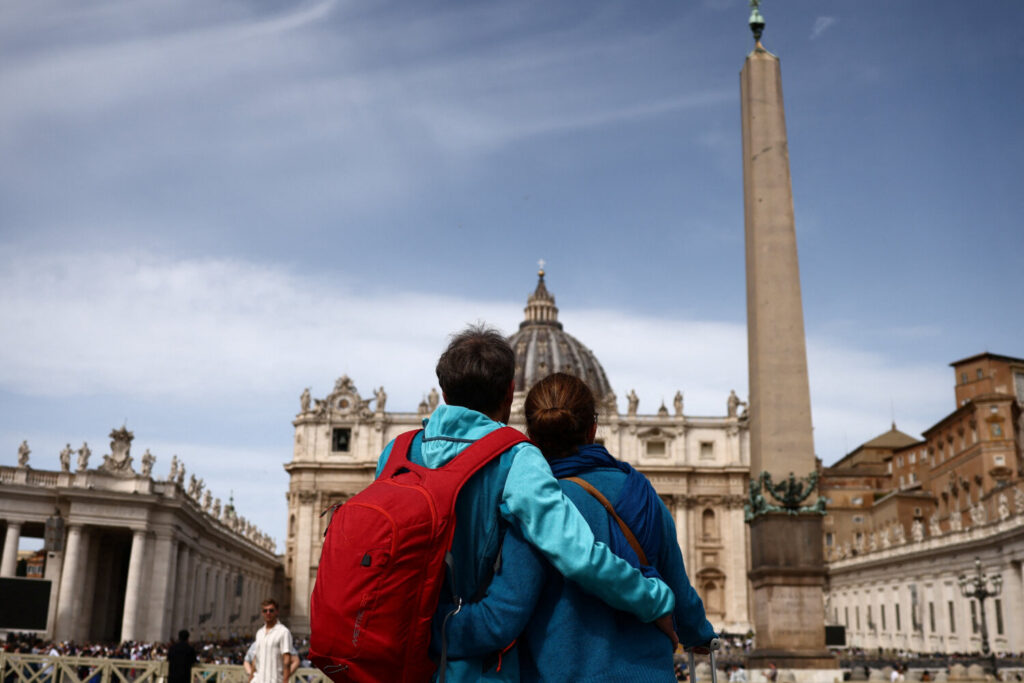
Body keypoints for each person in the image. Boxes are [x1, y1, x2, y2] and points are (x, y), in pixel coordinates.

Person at [374, 326, 677, 681]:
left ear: (443, 392)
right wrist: (655, 600)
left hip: (397, 653)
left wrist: (409, 625)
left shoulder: (395, 452)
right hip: (476, 660)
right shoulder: (517, 458)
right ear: (510, 392)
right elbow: (578, 555)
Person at [436, 372, 715, 680]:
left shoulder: (534, 510)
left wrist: (422, 623)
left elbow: (500, 620)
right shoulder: (644, 494)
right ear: (593, 429)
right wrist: (700, 635)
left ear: (530, 433)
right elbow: (680, 592)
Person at [244, 599, 297, 683]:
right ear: (262, 613)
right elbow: (255, 659)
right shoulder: (259, 633)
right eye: (265, 611)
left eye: (271, 610)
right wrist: (250, 679)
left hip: (275, 680)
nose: (268, 613)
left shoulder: (283, 632)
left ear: (277, 612)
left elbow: (287, 659)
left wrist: (285, 680)